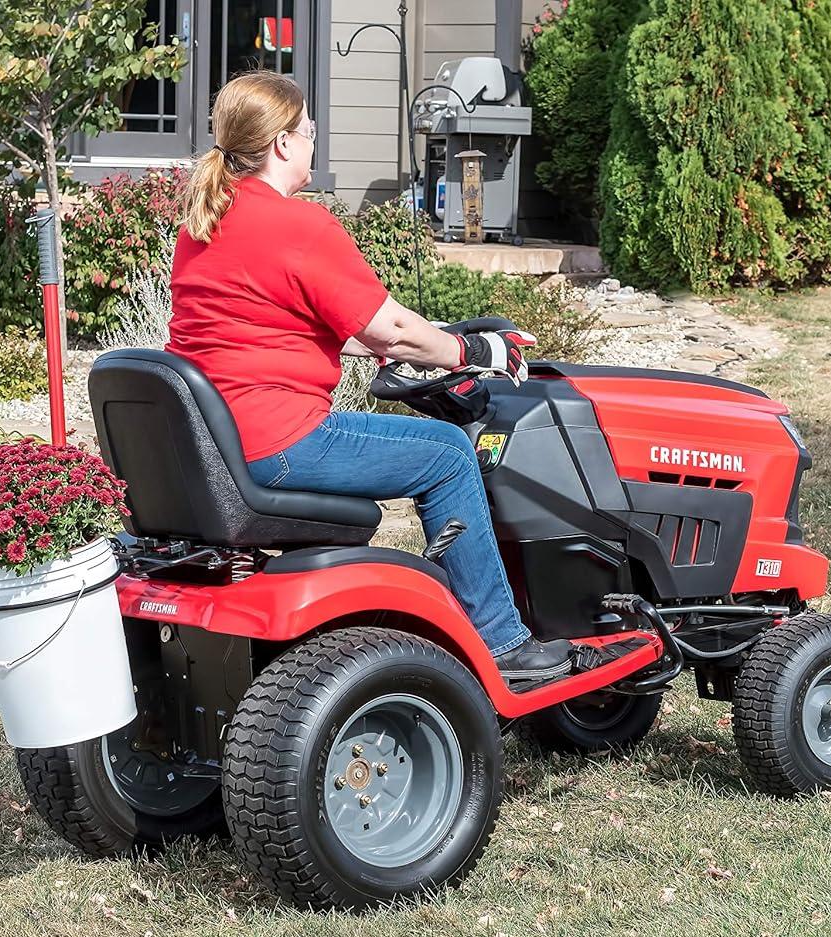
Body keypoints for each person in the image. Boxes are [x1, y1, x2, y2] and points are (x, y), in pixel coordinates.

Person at [166, 71, 574, 683]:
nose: (314, 140)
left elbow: (299, 325)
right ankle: (502, 642)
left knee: (432, 443)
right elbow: (394, 330)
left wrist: (419, 346)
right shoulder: (299, 225)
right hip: (279, 442)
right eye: (308, 130)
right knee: (449, 453)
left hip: (214, 442)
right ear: (282, 142)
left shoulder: (205, 226)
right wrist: (473, 349)